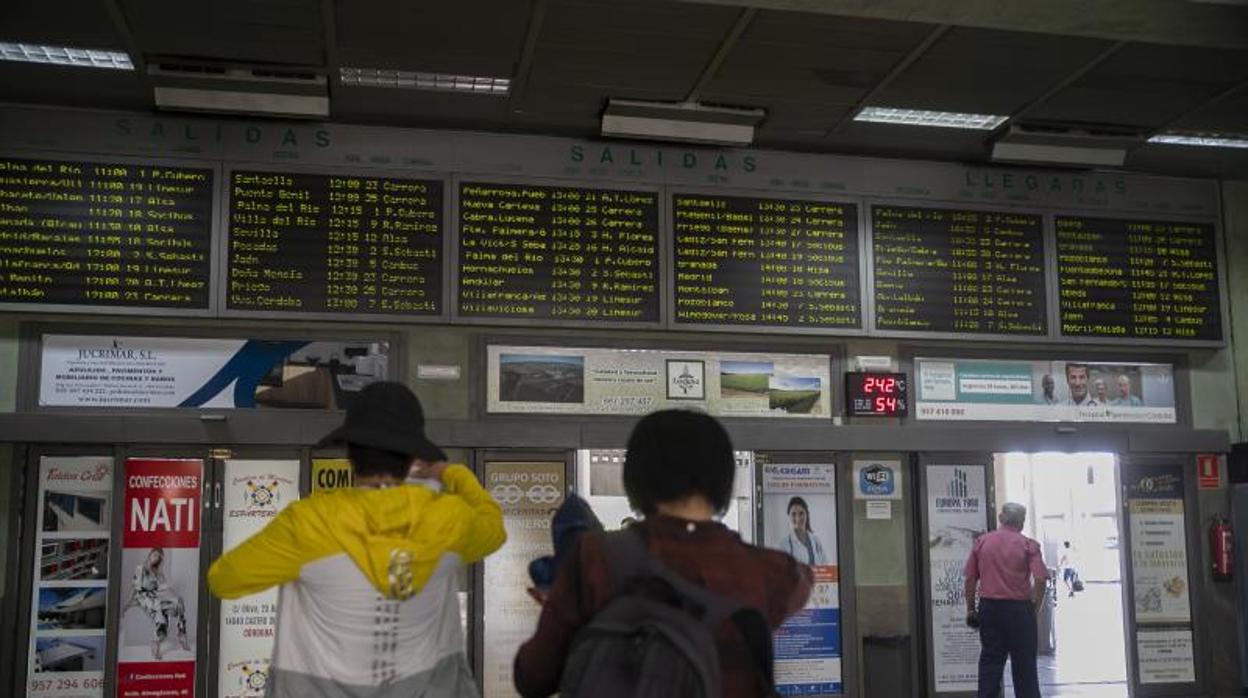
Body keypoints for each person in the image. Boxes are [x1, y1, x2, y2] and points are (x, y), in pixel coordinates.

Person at [207, 382, 506, 698]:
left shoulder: (310, 520)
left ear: (349, 454)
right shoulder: (450, 519)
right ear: (412, 458)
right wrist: (451, 474)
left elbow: (225, 579)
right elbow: (494, 530)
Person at [514, 409, 813, 697]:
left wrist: (563, 606)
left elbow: (533, 677)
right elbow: (803, 580)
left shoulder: (597, 558)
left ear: (637, 477)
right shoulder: (772, 572)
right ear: (723, 479)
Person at [964, 503, 1048, 698]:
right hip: (1020, 611)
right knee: (1025, 667)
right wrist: (1035, 607)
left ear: (1001, 518)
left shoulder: (982, 542)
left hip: (990, 609)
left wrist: (970, 609)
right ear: (1022, 522)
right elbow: (1041, 579)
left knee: (990, 663)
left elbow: (970, 578)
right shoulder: (1029, 545)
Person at [122, 547, 188, 660]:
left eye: (158, 556)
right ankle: (157, 641)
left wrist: (176, 597)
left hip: (156, 596)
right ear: (149, 555)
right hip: (143, 596)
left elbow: (165, 588)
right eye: (154, 554)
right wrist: (128, 603)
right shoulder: (141, 568)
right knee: (160, 610)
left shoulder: (158, 572)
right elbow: (135, 588)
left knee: (178, 603)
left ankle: (181, 634)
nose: (155, 558)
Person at [773, 496, 828, 566]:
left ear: (807, 514)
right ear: (788, 517)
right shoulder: (783, 545)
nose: (798, 518)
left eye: (801, 513)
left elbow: (825, 565)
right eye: (793, 514)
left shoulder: (816, 541)